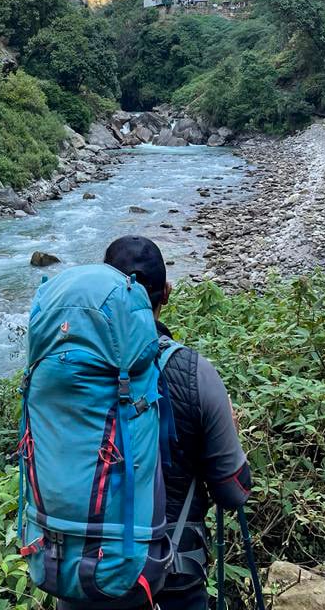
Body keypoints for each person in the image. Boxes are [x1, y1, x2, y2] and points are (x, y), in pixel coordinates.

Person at [104, 235, 252, 610]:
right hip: (170, 580)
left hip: (79, 576)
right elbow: (233, 492)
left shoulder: (69, 371)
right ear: (166, 292)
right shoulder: (193, 373)